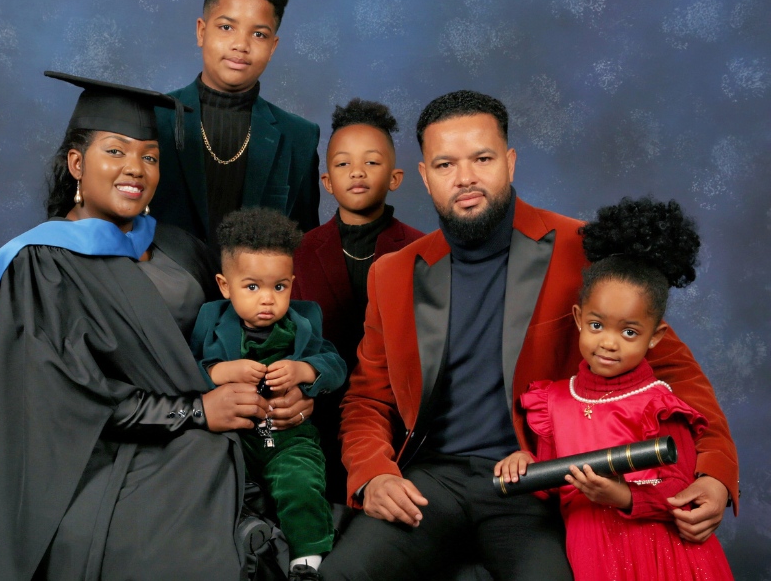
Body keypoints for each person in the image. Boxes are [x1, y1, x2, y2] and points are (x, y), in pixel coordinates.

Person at [321, 90, 738, 581]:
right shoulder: (391, 274)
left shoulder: (583, 249)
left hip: (537, 478)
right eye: (445, 164)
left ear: (510, 162)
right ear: (424, 177)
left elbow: (674, 374)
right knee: (341, 576)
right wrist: (372, 475)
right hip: (432, 478)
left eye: (482, 158)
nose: (466, 178)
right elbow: (367, 399)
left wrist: (714, 475)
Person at [0, 72, 312, 581]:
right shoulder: (41, 264)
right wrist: (196, 409)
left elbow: (233, 337)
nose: (136, 169)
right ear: (77, 163)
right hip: (103, 461)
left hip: (216, 434)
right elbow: (65, 395)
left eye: (149, 156)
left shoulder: (178, 246)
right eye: (116, 152)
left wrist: (283, 389)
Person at [494, 196, 734, 580]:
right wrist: (523, 466)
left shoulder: (658, 403)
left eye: (628, 332)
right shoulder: (553, 400)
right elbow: (552, 480)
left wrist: (623, 496)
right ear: (577, 318)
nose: (608, 343)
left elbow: (677, 483)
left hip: (657, 552)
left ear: (655, 338)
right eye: (596, 326)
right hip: (591, 551)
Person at [191, 207, 347, 580]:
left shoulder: (304, 319)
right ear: (225, 285)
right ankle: (236, 545)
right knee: (204, 476)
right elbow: (188, 369)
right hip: (233, 436)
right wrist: (221, 372)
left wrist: (304, 371)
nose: (267, 300)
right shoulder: (211, 320)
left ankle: (306, 558)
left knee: (302, 481)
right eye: (252, 287)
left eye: (279, 287)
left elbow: (336, 365)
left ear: (292, 282)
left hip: (288, 434)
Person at [292, 98, 423, 505]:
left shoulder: (422, 251)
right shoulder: (298, 251)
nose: (358, 173)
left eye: (372, 162)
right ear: (327, 181)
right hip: (315, 417)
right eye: (344, 164)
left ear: (396, 176)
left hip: (394, 424)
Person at [150, 0, 321, 244]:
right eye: (226, 27)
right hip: (161, 287)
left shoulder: (299, 138)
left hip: (256, 289)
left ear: (273, 47)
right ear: (201, 31)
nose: (241, 45)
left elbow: (304, 247)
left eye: (258, 34)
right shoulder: (152, 117)